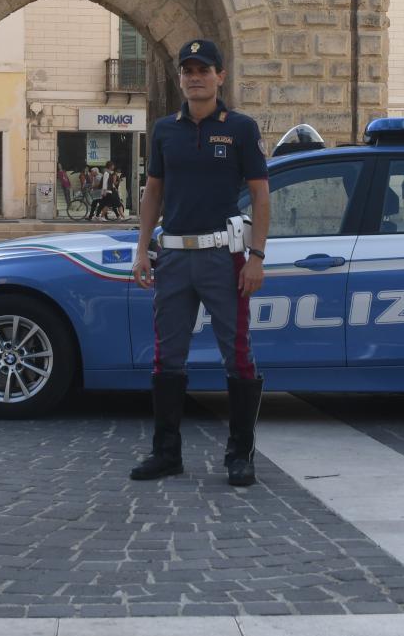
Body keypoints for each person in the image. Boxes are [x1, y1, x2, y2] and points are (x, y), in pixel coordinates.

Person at [130, 38, 270, 486]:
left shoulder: (241, 129)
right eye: (188, 70)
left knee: (238, 356)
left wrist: (257, 257)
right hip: (172, 255)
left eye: (203, 69)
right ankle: (166, 452)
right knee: (167, 356)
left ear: (220, 76)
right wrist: (141, 249)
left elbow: (261, 194)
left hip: (222, 257)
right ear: (180, 78)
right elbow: (154, 191)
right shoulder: (164, 130)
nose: (195, 77)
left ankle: (240, 454)